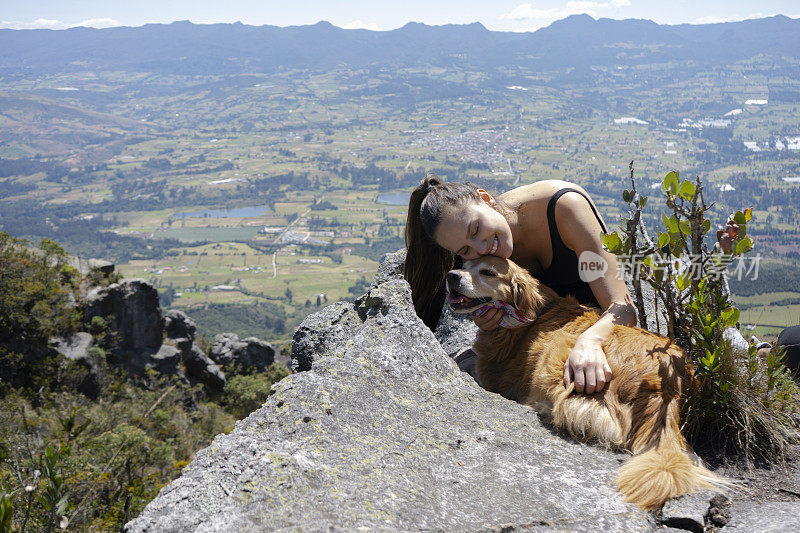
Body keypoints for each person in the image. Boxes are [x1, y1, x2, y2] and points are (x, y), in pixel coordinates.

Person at [404, 174, 637, 395]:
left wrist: (590, 342)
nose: (482, 248)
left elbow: (622, 308)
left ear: (486, 199)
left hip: (597, 337)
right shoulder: (469, 250)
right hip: (535, 350)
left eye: (476, 229)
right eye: (465, 250)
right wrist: (486, 316)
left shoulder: (565, 209)